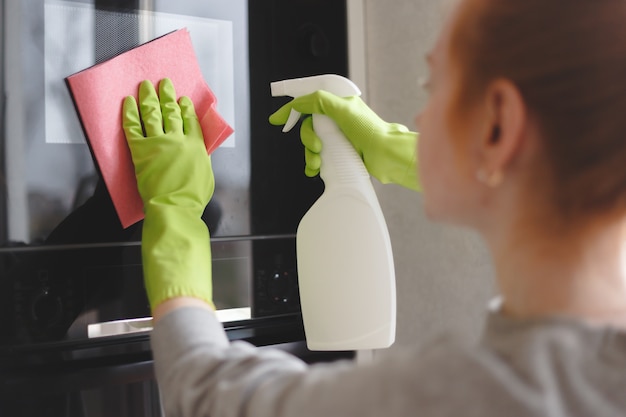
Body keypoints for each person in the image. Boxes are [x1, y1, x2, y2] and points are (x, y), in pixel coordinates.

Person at [122, 0, 626, 415]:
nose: (421, 117)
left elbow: (206, 393)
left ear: (498, 125)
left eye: (434, 88)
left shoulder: (478, 398)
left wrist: (177, 208)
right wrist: (402, 151)